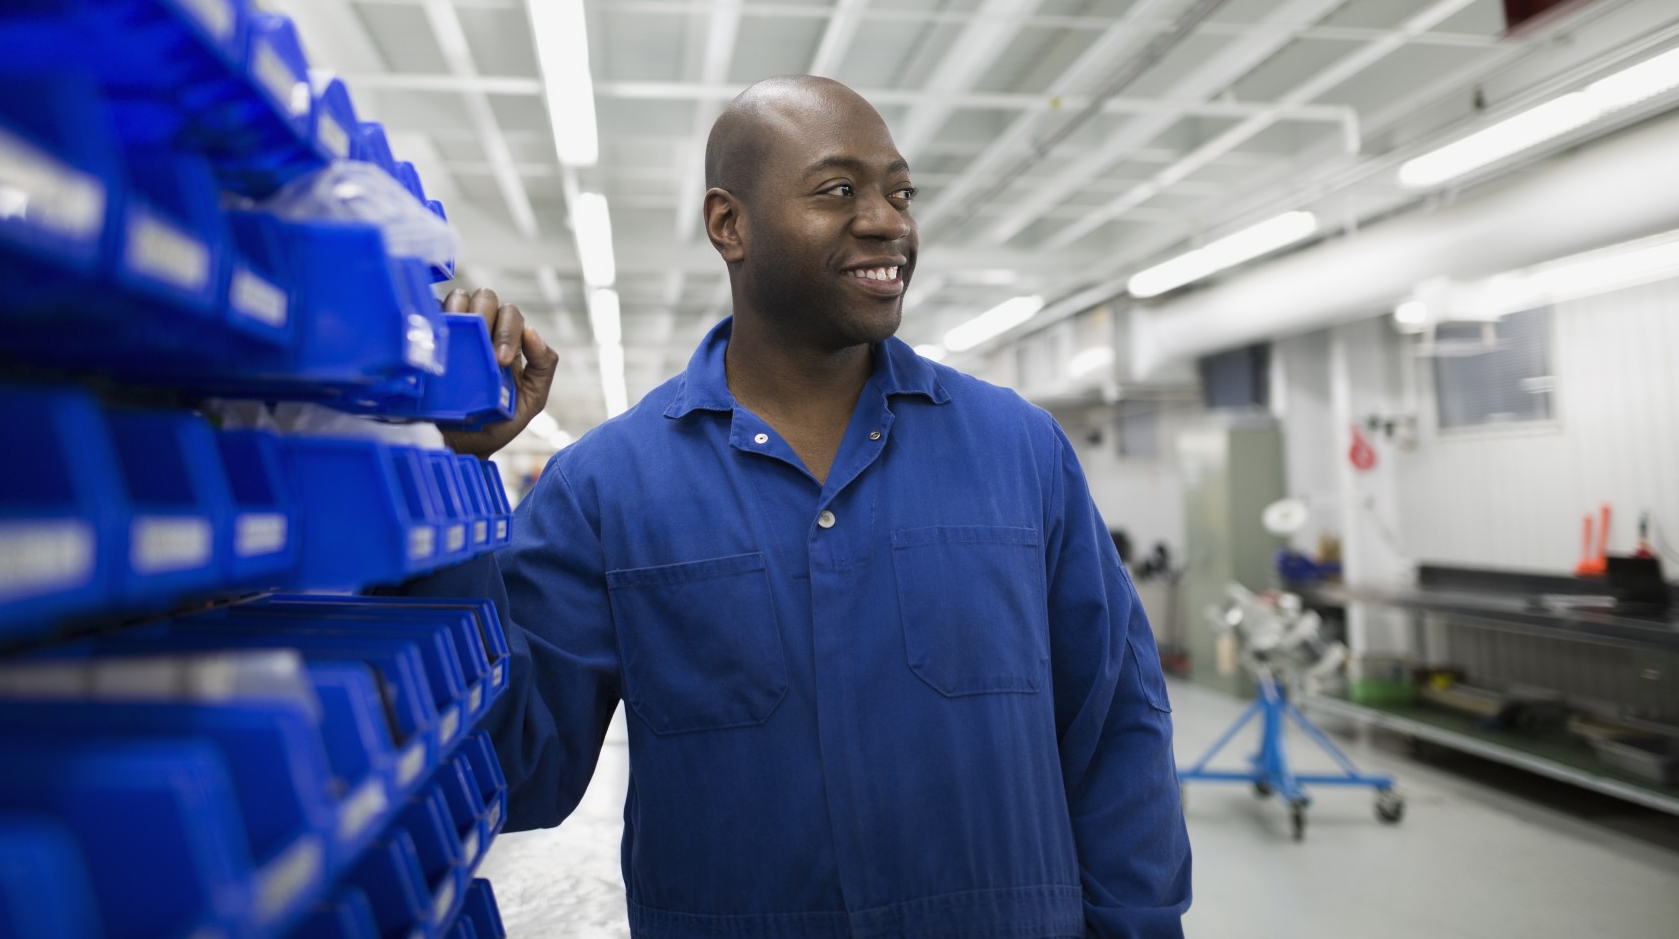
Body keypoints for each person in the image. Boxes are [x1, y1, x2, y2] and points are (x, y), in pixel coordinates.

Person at [420, 75, 1190, 939]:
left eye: (900, 191)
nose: (887, 220)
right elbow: (519, 768)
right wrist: (449, 477)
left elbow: (1118, 729)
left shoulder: (1021, 454)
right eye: (838, 191)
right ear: (729, 223)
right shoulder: (606, 488)